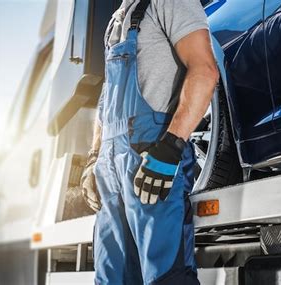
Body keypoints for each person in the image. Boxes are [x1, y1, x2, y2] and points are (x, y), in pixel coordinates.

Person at [79, 0, 219, 284]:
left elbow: (204, 71)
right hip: (111, 165)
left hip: (152, 155)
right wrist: (95, 157)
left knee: (165, 276)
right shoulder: (118, 18)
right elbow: (107, 95)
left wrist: (171, 147)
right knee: (112, 277)